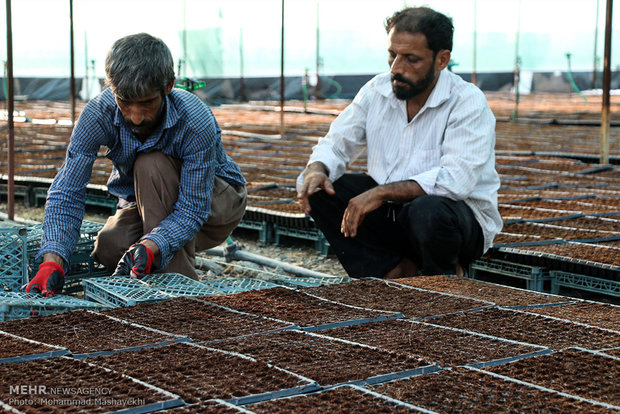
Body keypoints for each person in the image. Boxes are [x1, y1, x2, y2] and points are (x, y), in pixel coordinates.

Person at [26, 33, 247, 296]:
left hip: (216, 204)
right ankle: (156, 260)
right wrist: (53, 259)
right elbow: (67, 191)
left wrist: (154, 243)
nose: (136, 117)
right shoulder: (97, 115)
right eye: (124, 102)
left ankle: (177, 296)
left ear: (168, 86)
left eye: (146, 104)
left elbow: (191, 209)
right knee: (110, 246)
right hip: (149, 204)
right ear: (111, 89)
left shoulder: (194, 120)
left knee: (150, 163)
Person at [297, 7, 502, 278]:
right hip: (393, 216)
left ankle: (444, 279)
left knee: (428, 210)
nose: (397, 69)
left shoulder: (466, 102)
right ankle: (393, 270)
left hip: (454, 223)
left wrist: (380, 193)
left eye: (411, 59)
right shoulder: (376, 91)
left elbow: (456, 179)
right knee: (322, 188)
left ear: (442, 60)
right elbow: (336, 143)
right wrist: (317, 168)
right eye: (392, 55)